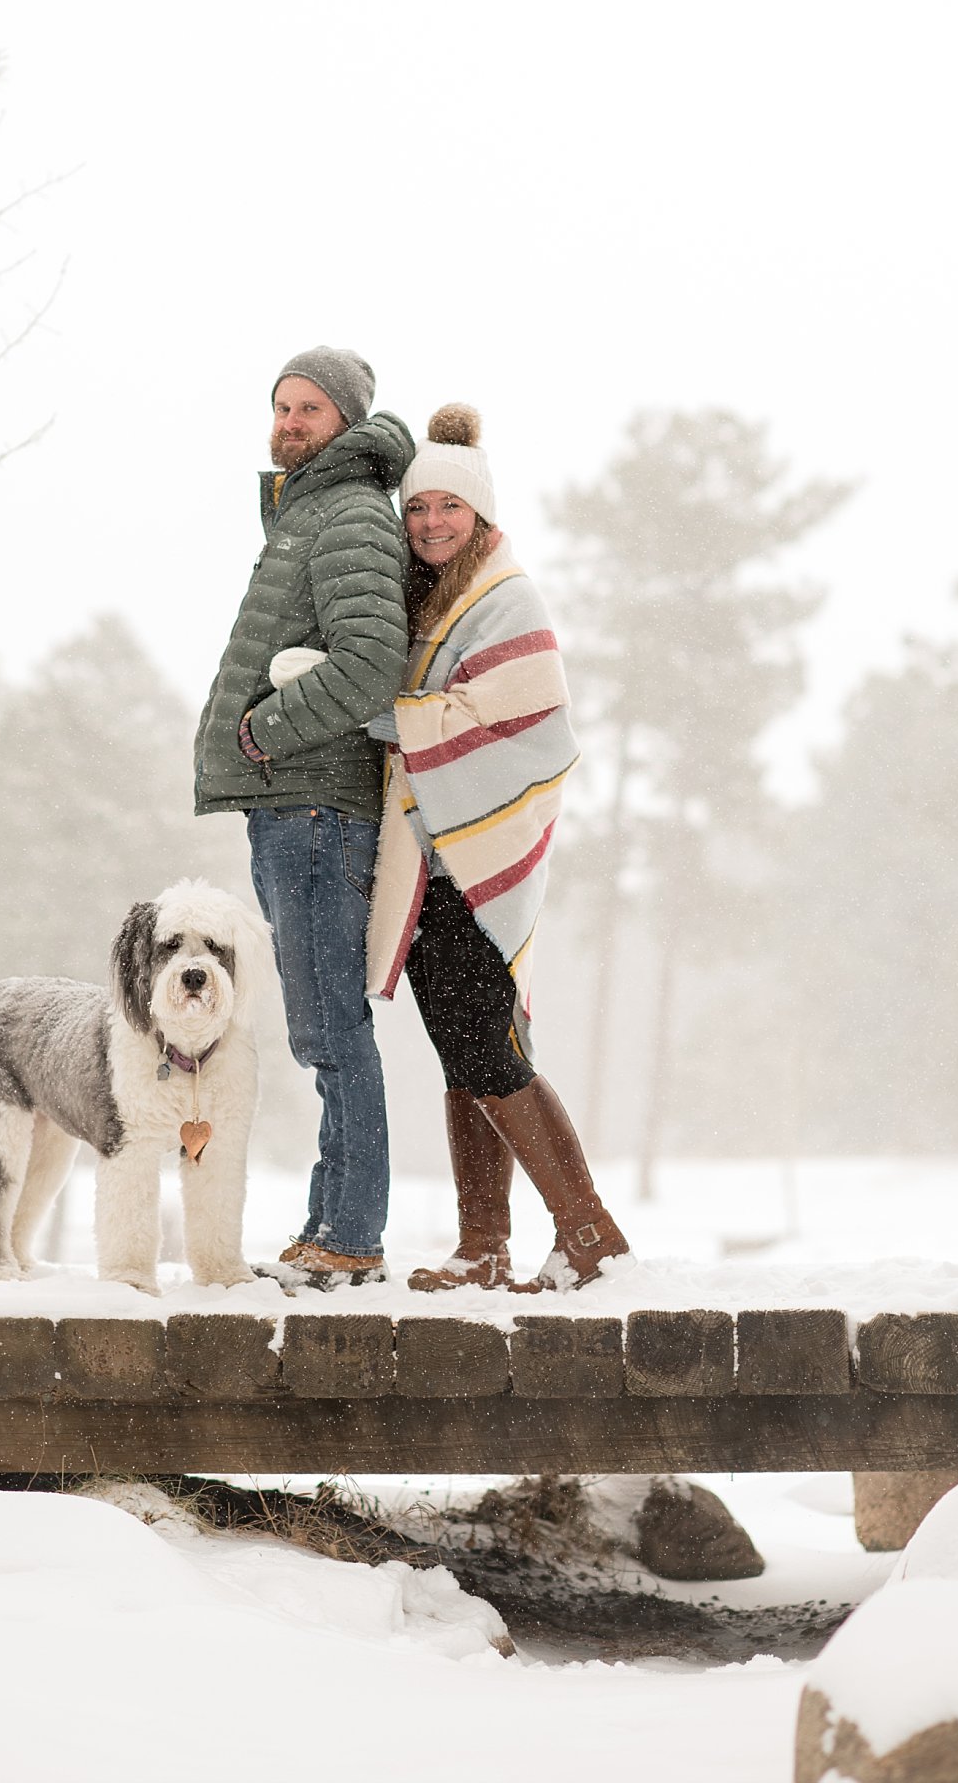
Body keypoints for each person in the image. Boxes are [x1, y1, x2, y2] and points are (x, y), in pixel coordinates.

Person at [366, 404, 630, 1292]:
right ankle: (482, 1247)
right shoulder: (436, 596)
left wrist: (384, 718)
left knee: (488, 1052)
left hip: (472, 862)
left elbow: (529, 726)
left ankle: (588, 1233)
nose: (431, 523)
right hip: (436, 860)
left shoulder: (504, 597)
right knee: (465, 1052)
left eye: (448, 507)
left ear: (478, 513)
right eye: (417, 509)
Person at [193, 347, 413, 1288]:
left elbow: (369, 662)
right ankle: (329, 1226)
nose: (289, 422)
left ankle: (351, 1238)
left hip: (316, 805)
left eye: (310, 408)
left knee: (331, 1030)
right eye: (281, 405)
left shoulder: (351, 514)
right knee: (321, 1027)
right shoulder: (309, 511)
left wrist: (263, 733)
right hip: (293, 802)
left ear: (346, 420)